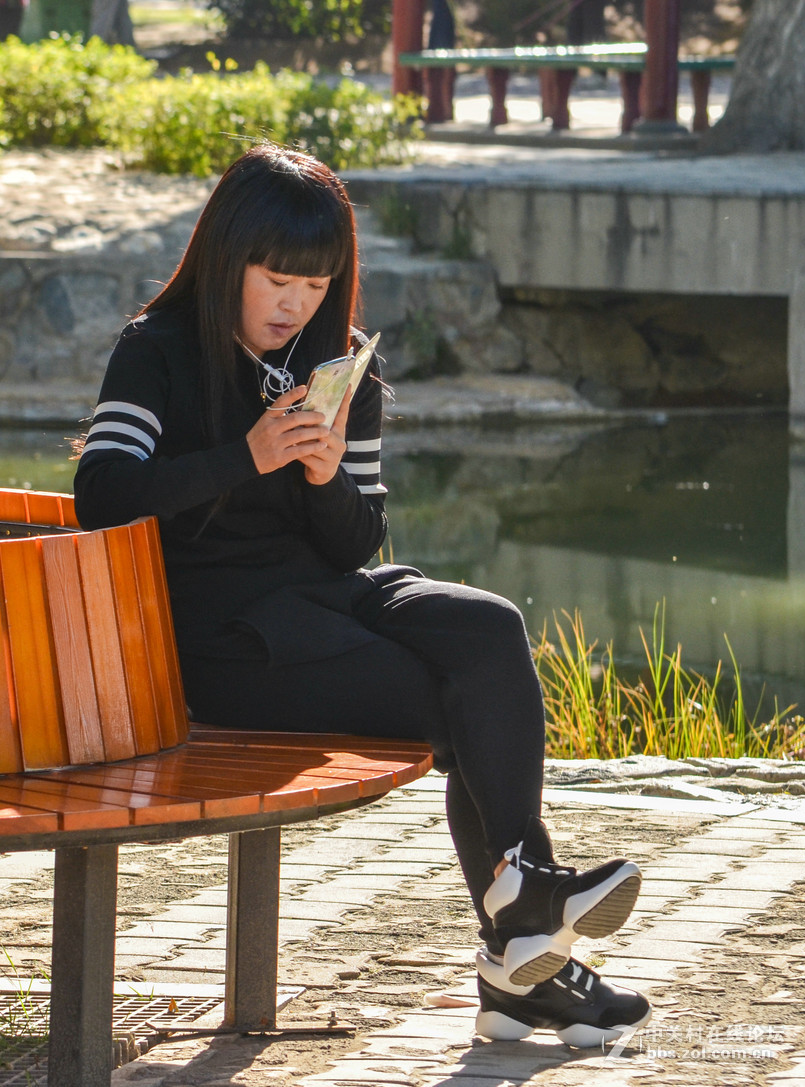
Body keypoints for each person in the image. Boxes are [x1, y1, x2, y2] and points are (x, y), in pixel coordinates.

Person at [72, 145, 651, 1048]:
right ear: (228, 258)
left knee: (488, 628)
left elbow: (355, 541)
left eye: (314, 282)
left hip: (329, 600)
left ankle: (524, 918)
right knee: (450, 699)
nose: (292, 303)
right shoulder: (158, 352)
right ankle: (522, 941)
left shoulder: (339, 369)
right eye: (274, 278)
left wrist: (326, 476)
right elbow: (102, 496)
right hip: (224, 644)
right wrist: (246, 457)